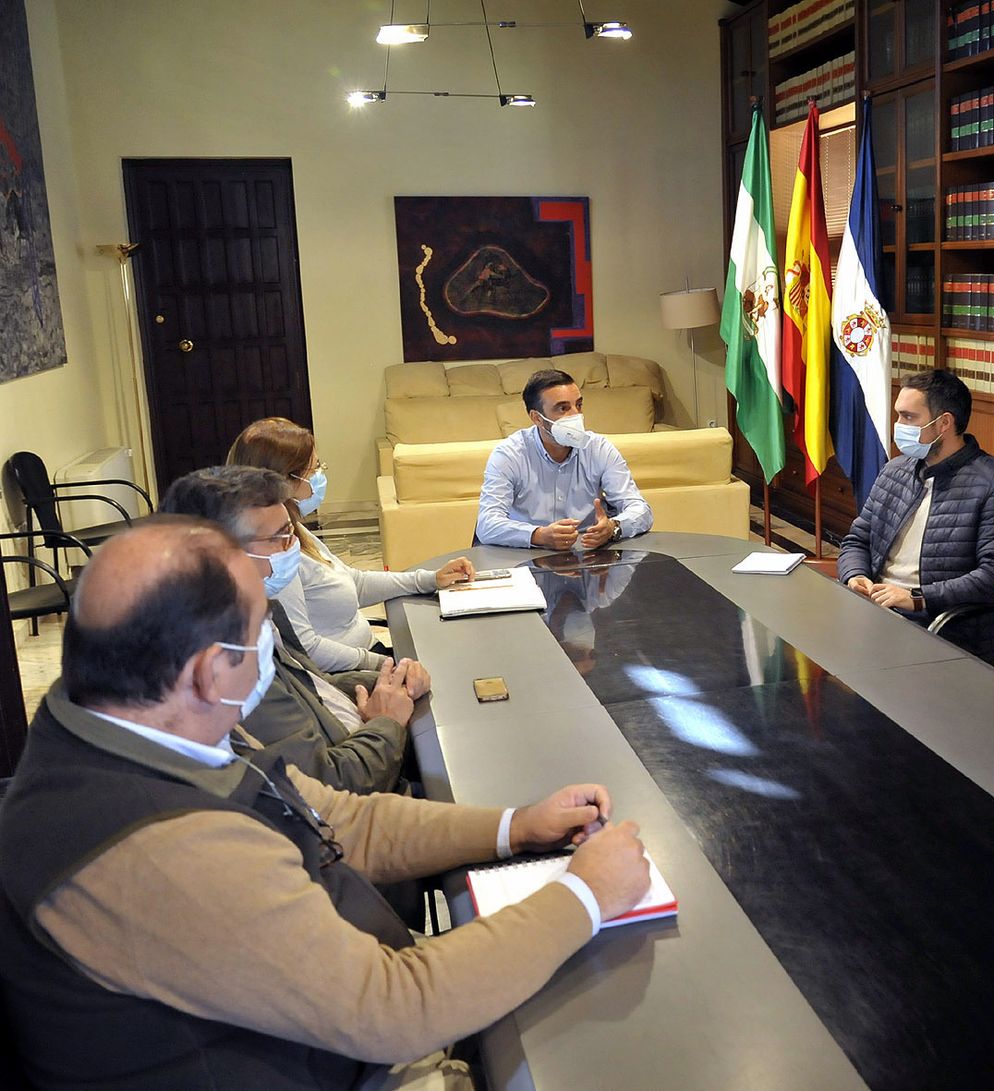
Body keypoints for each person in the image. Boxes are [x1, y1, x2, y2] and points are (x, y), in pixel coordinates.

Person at [0, 516, 651, 1089]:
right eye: (260, 631)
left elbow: (343, 819)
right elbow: (396, 1008)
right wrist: (585, 895)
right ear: (207, 671)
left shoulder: (143, 724)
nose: (274, 649)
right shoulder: (154, 848)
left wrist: (516, 826)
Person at [161, 466, 423, 795]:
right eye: (281, 538)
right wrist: (387, 722)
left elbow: (314, 688)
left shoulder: (260, 614)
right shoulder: (232, 665)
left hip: (367, 746)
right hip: (369, 792)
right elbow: (334, 785)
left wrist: (389, 682)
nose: (293, 546)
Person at [228, 417, 475, 672]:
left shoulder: (294, 529)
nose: (319, 476)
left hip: (368, 656)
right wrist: (383, 664)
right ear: (283, 482)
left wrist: (428, 579)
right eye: (313, 470)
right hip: (352, 672)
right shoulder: (275, 557)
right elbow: (305, 648)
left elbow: (354, 582)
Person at [836, 369, 994, 666]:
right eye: (898, 416)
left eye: (908, 417)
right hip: (877, 610)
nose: (898, 426)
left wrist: (918, 598)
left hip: (940, 624)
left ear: (944, 423)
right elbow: (857, 539)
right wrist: (856, 575)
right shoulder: (895, 470)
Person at [476, 368, 653, 550]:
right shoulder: (509, 455)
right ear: (537, 418)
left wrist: (613, 527)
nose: (575, 416)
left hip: (589, 553)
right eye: (563, 408)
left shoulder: (599, 448)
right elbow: (487, 524)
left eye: (579, 405)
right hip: (526, 555)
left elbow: (641, 510)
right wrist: (538, 535)